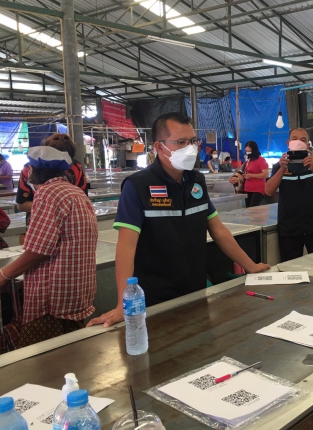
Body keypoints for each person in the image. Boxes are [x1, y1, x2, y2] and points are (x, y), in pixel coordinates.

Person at [88, 112, 270, 328]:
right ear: (159, 146)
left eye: (193, 141)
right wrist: (122, 304)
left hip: (195, 291)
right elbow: (126, 247)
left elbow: (218, 230)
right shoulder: (138, 186)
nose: (190, 148)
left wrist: (250, 266)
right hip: (155, 299)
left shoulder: (196, 181)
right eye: (181, 142)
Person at [0, 146, 97, 348]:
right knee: (71, 351)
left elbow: (39, 250)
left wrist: (4, 275)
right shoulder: (75, 192)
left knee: (40, 357)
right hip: (77, 292)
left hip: (51, 300)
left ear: (32, 171)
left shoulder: (47, 194)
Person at [265, 128, 313, 262]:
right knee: (290, 269)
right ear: (288, 143)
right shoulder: (279, 166)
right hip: (289, 228)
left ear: (308, 145)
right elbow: (268, 191)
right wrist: (282, 168)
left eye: (303, 140)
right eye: (294, 139)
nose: (298, 142)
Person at [16, 133, 88, 227]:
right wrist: (57, 207)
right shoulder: (29, 169)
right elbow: (21, 204)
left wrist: (54, 206)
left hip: (70, 222)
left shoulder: (76, 167)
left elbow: (84, 200)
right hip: (40, 222)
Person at [240, 141, 268, 208]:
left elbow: (265, 174)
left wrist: (251, 175)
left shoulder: (261, 160)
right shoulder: (248, 161)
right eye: (246, 151)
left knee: (253, 208)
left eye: (249, 151)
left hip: (257, 189)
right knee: (247, 208)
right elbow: (242, 171)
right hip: (247, 188)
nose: (247, 152)